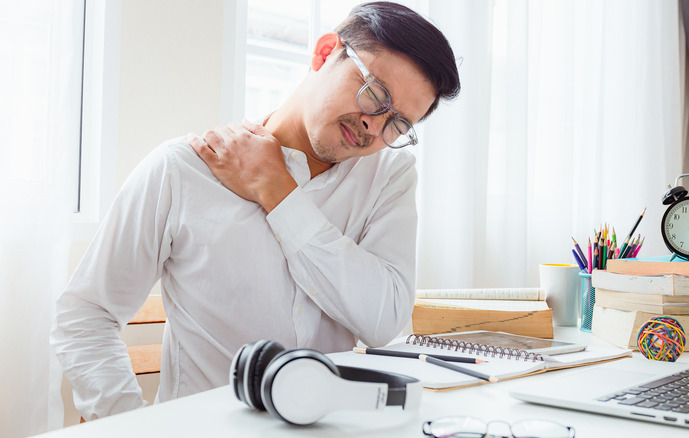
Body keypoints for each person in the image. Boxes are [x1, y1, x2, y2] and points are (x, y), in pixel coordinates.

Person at [51, 1, 460, 420]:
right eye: (375, 94)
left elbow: (384, 320)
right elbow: (85, 315)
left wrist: (279, 192)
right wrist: (136, 428)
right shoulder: (183, 169)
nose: (374, 126)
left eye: (397, 124)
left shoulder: (389, 175)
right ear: (324, 53)